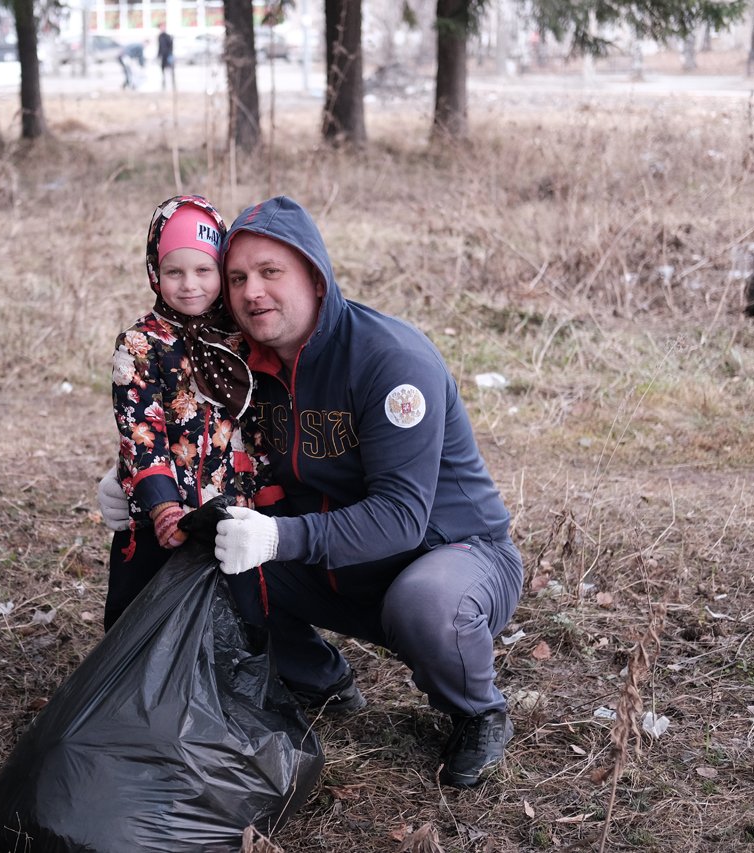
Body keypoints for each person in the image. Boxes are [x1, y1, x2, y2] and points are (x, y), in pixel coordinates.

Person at [99, 196, 524, 788]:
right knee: (210, 554)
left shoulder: (390, 361)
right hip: (335, 564)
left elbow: (402, 517)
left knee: (424, 603)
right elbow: (188, 431)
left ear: (315, 278)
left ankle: (478, 710)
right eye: (239, 277)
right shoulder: (244, 367)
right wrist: (133, 487)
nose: (252, 292)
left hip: (446, 556)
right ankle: (319, 678)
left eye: (272, 273)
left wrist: (275, 535)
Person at [105, 195, 257, 631]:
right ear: (155, 272)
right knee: (144, 615)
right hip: (160, 515)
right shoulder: (139, 344)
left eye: (204, 270)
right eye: (174, 271)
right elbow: (139, 428)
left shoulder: (240, 338)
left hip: (230, 509)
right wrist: (162, 507)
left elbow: (257, 425)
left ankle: (313, 677)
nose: (190, 284)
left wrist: (263, 496)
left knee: (242, 616)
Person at [157, 24, 175, 91]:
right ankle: (164, 80)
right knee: (162, 68)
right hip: (163, 55)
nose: (162, 29)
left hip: (168, 55)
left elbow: (171, 46)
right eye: (161, 27)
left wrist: (170, 54)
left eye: (163, 27)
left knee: (171, 69)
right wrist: (158, 55)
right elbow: (159, 46)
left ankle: (172, 82)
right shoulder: (159, 36)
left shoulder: (168, 36)